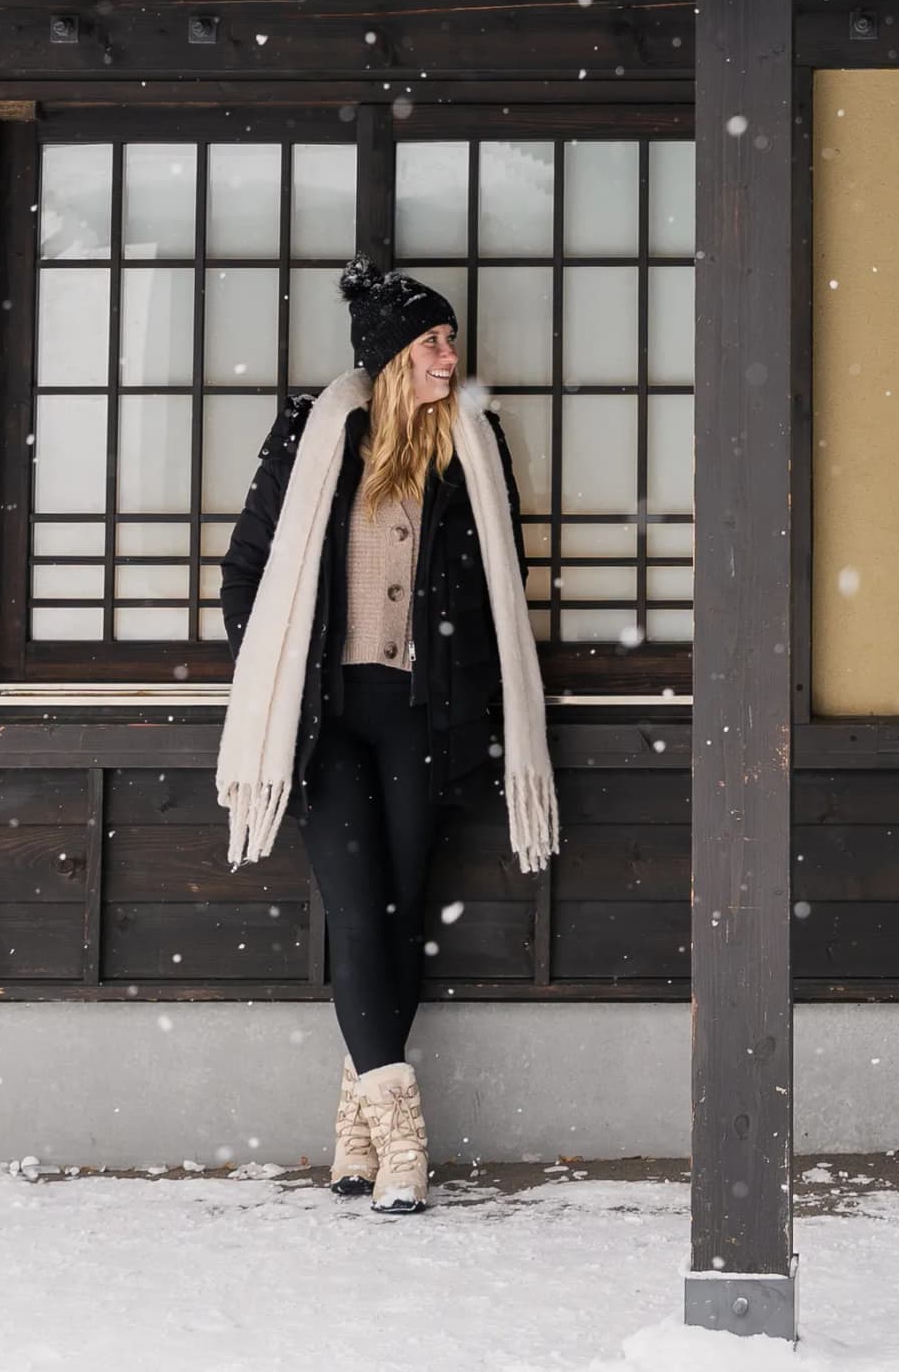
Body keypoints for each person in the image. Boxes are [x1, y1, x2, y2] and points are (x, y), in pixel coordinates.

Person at [216, 263, 558, 1214]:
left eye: (451, 340)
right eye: (433, 342)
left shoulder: (471, 449)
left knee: (401, 914)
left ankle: (355, 1131)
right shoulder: (316, 439)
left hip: (423, 714)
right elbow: (247, 571)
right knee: (361, 914)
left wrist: (476, 697)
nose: (451, 355)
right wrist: (273, 672)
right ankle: (404, 1141)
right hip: (324, 716)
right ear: (389, 358)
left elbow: (500, 596)